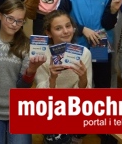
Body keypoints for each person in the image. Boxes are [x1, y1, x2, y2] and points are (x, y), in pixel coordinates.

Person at [0, 0, 46, 144]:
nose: (14, 24)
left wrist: (31, 71)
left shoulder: (26, 46)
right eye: (10, 18)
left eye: (19, 21)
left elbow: (22, 88)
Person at [56, 0, 122, 89]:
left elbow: (108, 24)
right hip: (77, 45)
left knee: (102, 83)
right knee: (77, 83)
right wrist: (82, 29)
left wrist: (113, 10)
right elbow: (59, 20)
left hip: (100, 46)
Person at [35, 10, 92, 144]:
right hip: (51, 107)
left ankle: (75, 137)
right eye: (58, 28)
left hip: (73, 106)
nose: (66, 31)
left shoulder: (84, 53)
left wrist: (83, 80)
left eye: (68, 26)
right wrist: (52, 79)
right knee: (57, 139)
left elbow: (86, 95)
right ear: (49, 33)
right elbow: (41, 97)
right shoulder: (41, 54)